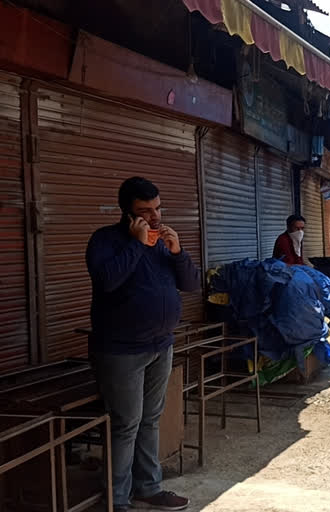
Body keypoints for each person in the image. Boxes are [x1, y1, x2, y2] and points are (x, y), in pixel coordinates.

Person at [86, 177, 198, 511]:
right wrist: (136, 244)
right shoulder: (105, 241)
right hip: (120, 350)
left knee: (150, 420)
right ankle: (117, 499)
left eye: (158, 208)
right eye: (144, 211)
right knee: (125, 425)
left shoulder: (162, 241)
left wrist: (177, 253)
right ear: (127, 212)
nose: (154, 217)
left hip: (160, 345)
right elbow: (107, 281)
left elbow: (190, 283)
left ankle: (147, 487)